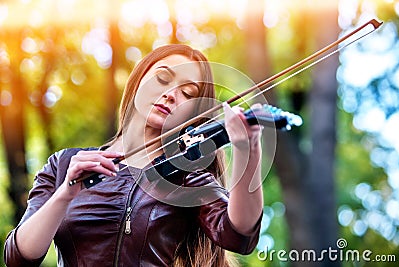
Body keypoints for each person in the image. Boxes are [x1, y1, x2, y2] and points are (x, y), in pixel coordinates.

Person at [4, 44, 263, 266]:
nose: (171, 94)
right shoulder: (64, 165)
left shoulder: (185, 177)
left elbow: (239, 233)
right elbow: (19, 257)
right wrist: (66, 192)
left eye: (187, 93)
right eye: (162, 78)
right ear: (139, 79)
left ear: (192, 115)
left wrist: (248, 150)